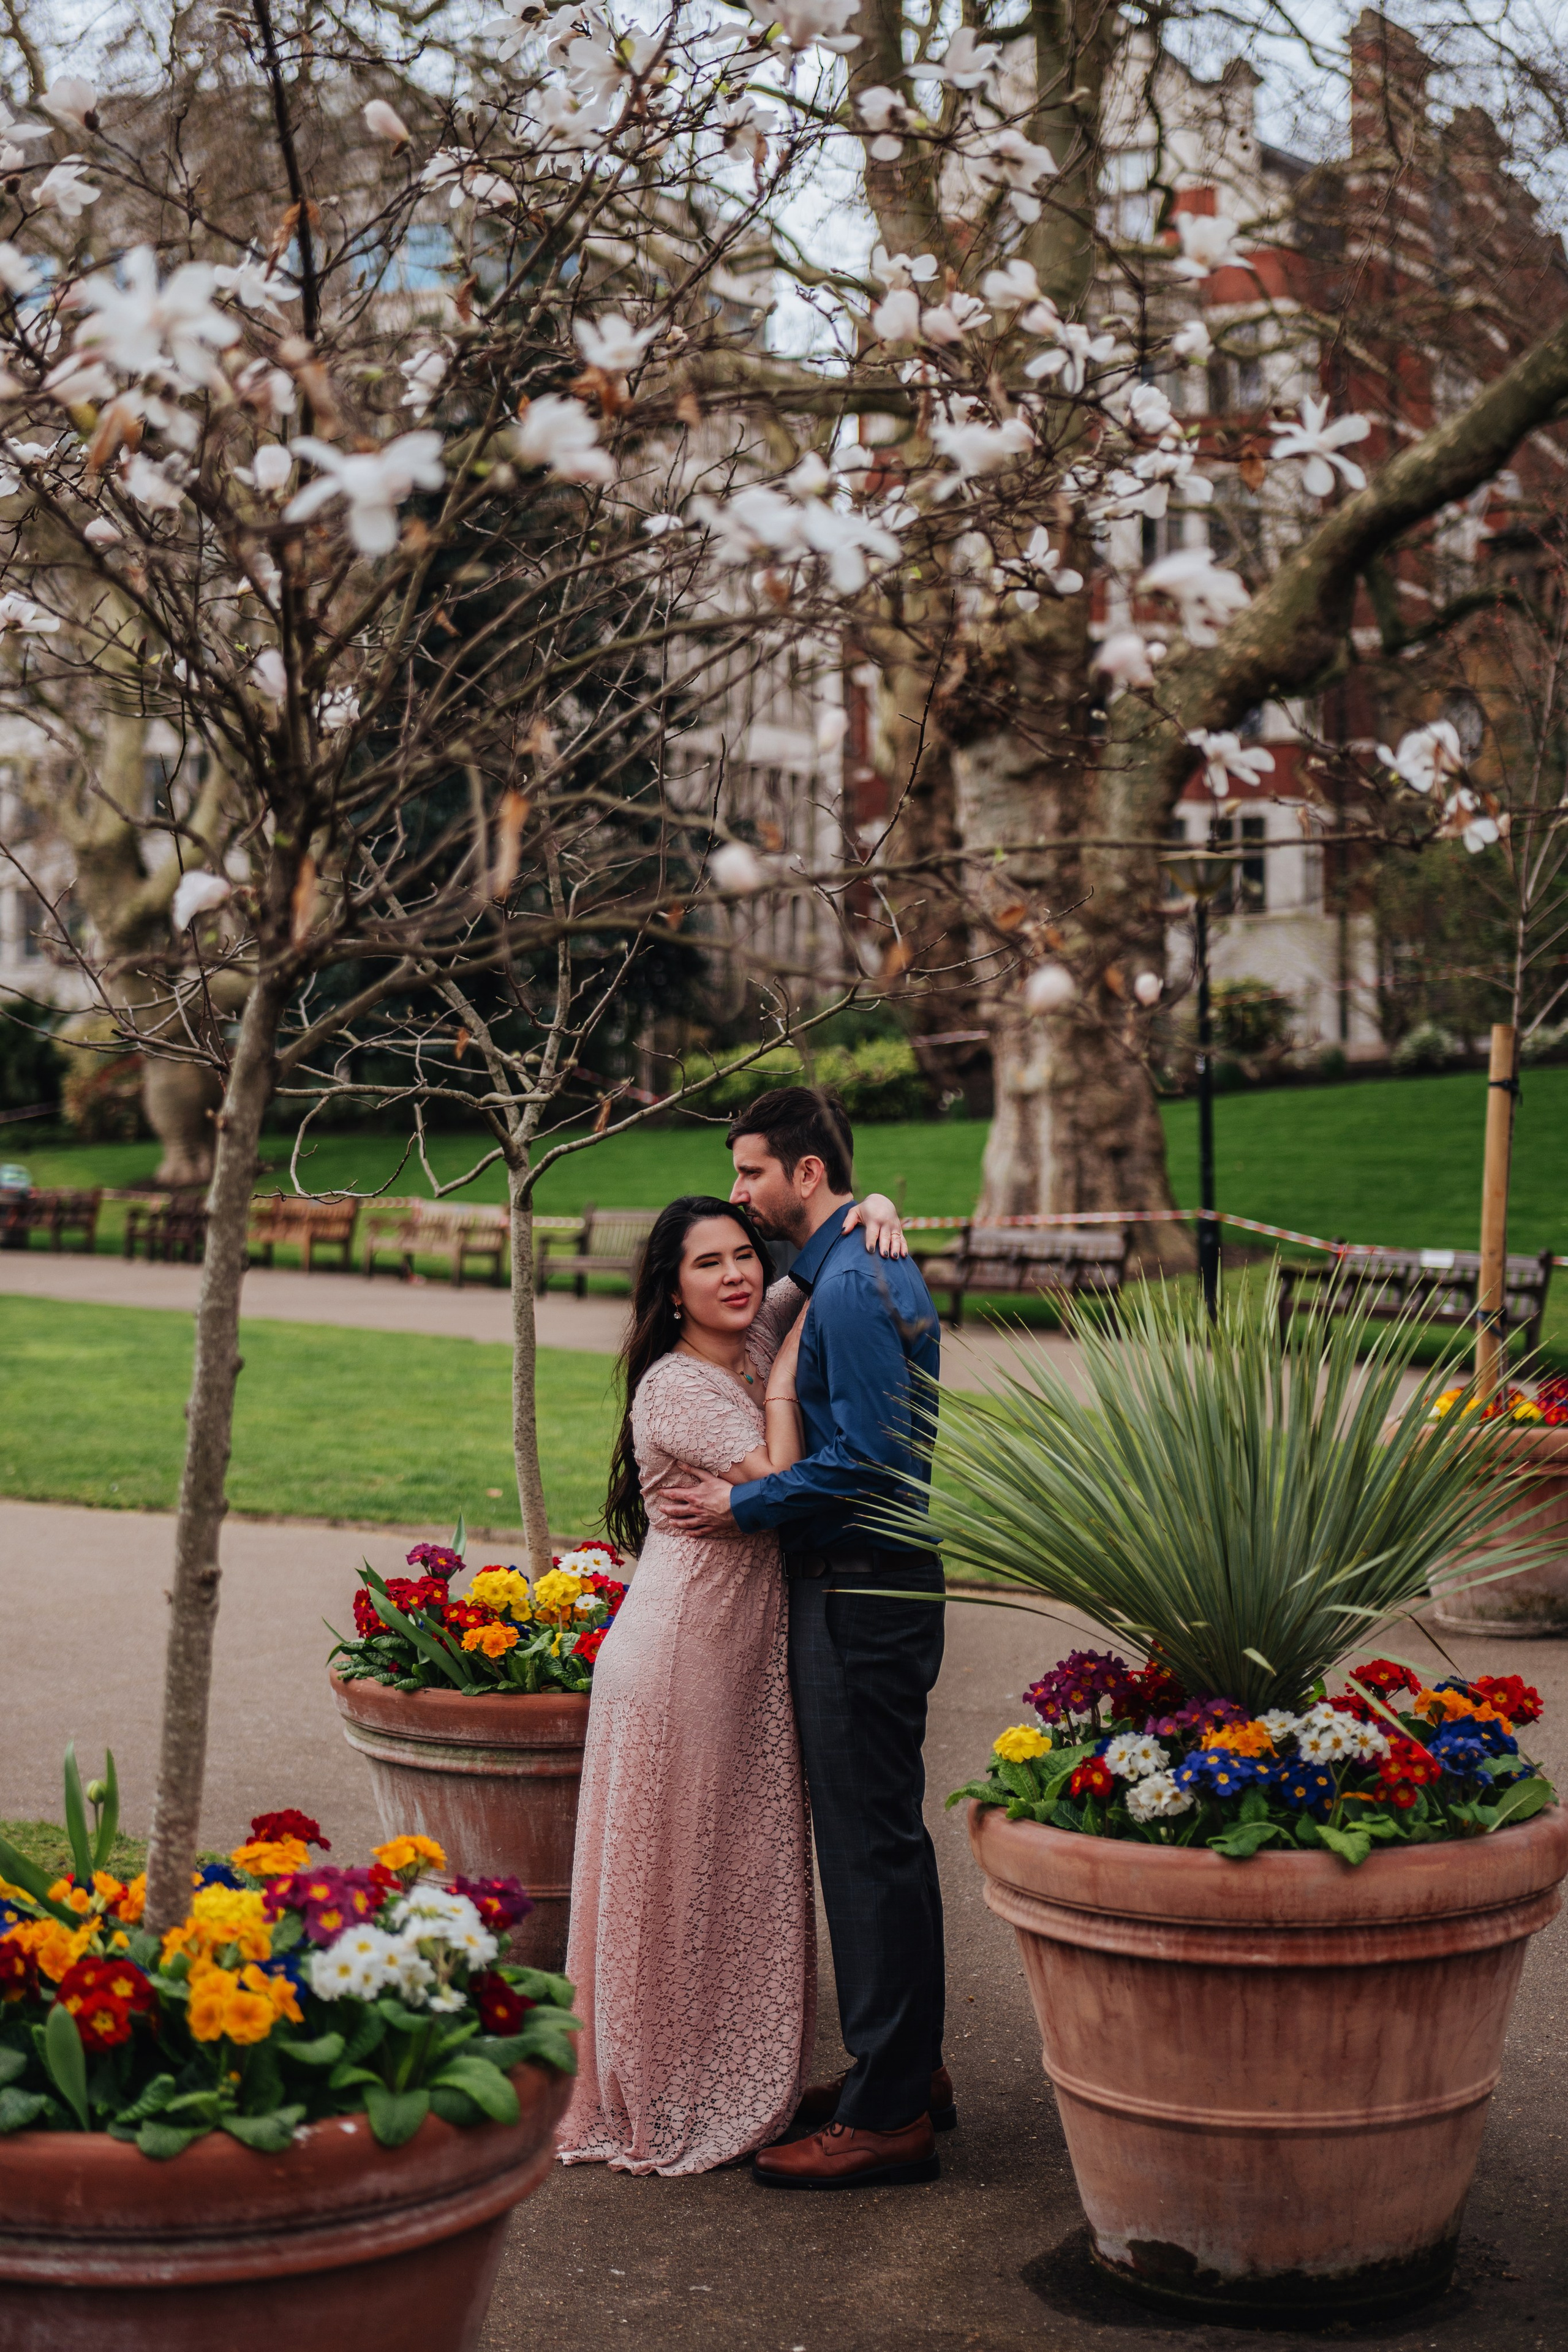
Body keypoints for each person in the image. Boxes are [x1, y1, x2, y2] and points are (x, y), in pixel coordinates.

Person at [557, 1181, 909, 2177]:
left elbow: (828, 1250)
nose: (736, 1275)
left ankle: (714, 2064)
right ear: (672, 1291)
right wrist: (791, 1380)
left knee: (729, 1870)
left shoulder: (753, 1333)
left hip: (731, 1655)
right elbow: (778, 1473)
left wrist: (875, 1202)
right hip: (681, 1657)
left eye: (742, 1255)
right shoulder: (678, 1385)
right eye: (706, 1264)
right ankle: (669, 2084)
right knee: (678, 1877)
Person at [662, 1087, 951, 2193]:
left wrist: (745, 1509)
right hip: (857, 1587)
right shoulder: (839, 1267)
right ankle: (905, 2072)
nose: (741, 1192)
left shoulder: (854, 1286)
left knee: (870, 1850)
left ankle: (886, 2117)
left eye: (750, 1173)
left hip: (862, 1588)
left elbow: (875, 1466)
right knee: (881, 1842)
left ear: (807, 1175)